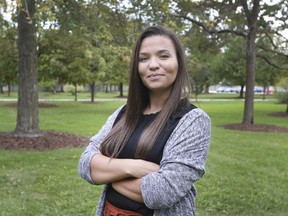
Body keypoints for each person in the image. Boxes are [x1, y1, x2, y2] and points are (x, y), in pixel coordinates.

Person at [78, 25, 211, 216]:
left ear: (179, 63)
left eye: (163, 56)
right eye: (144, 58)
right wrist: (134, 167)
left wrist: (108, 174)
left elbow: (162, 192)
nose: (153, 65)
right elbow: (85, 164)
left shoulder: (193, 120)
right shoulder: (123, 114)